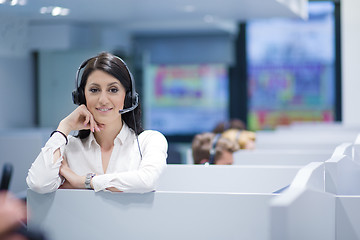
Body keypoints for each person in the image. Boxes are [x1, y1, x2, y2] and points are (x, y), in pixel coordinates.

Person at [26, 52, 168, 194]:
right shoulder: (68, 147)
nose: (103, 100)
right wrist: (64, 127)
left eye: (113, 90)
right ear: (82, 97)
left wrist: (83, 181)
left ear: (128, 97)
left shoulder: (149, 141)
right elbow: (39, 183)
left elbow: (146, 181)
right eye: (94, 90)